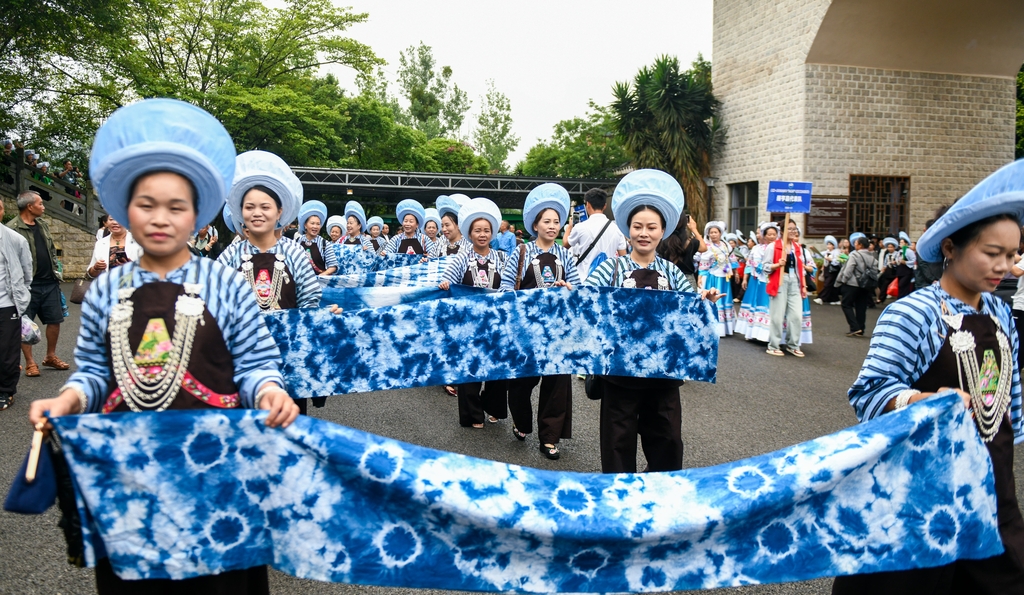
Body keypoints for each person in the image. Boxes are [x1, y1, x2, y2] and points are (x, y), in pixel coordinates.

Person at [28, 98, 298, 594]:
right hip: (129, 468)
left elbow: (256, 362)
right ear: (125, 211)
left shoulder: (225, 284)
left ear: (197, 217)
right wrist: (67, 399)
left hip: (218, 462)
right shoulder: (107, 290)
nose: (160, 218)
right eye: (146, 204)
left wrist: (269, 392)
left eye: (176, 207)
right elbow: (93, 372)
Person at [836, 159, 1024, 594]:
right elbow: (870, 391)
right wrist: (919, 400)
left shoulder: (1000, 312)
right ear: (950, 248)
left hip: (991, 487)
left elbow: (1007, 399)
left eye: (1012, 255)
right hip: (918, 491)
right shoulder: (913, 313)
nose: (1004, 266)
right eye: (992, 253)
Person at [585, 169, 721, 474]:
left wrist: (704, 301)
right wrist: (568, 292)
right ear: (628, 230)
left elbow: (689, 308)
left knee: (668, 439)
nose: (643, 233)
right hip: (619, 372)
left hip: (663, 373)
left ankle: (660, 490)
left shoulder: (672, 272)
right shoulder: (611, 269)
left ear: (662, 231)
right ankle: (620, 492)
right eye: (637, 226)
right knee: (617, 442)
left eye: (651, 227)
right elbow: (586, 299)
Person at [218, 150, 323, 414]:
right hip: (242, 359)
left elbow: (309, 303)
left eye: (265, 207)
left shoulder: (294, 252)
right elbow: (213, 300)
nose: (257, 213)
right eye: (249, 207)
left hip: (288, 357)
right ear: (240, 212)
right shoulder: (231, 255)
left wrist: (324, 317)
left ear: (279, 212)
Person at [499, 183, 580, 461]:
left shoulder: (566, 255)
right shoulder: (521, 252)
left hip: (558, 332)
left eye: (556, 221)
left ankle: (549, 438)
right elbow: (506, 289)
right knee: (521, 384)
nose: (552, 226)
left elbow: (577, 290)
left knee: (557, 386)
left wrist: (567, 288)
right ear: (535, 224)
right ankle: (522, 422)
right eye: (547, 221)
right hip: (526, 331)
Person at [438, 197, 509, 427]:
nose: (482, 234)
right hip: (468, 323)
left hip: (496, 322)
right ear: (469, 233)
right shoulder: (462, 258)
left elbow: (510, 286)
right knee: (470, 368)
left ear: (493, 233)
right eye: (477, 230)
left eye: (486, 230)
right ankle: (473, 415)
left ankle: (494, 407)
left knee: (497, 368)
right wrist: (446, 285)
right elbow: (448, 279)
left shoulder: (502, 258)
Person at [7, 191, 69, 377]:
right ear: (29, 206)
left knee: (55, 320)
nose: (43, 206)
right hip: (27, 285)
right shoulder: (12, 229)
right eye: (40, 203)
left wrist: (56, 271)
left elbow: (51, 250)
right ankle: (30, 363)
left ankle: (50, 356)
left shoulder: (42, 224)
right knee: (25, 324)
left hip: (49, 282)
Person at [0, 199, 32, 410]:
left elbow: (27, 272)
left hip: (6, 304)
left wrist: (21, 296)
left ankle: (5, 390)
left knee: (7, 350)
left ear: (3, 211)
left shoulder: (15, 239)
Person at [563, 187, 627, 281]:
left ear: (588, 205)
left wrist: (569, 227)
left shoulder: (580, 227)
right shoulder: (617, 229)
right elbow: (623, 258)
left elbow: (565, 244)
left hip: (584, 280)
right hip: (608, 280)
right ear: (605, 206)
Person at [764, 219, 807, 357]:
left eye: (794, 229)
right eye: (790, 228)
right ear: (782, 231)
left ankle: (793, 344)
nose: (793, 231)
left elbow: (801, 269)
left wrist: (803, 286)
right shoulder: (773, 247)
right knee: (777, 316)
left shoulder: (797, 247)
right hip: (780, 281)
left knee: (796, 316)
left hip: (795, 282)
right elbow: (765, 267)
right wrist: (777, 265)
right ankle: (773, 345)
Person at [736, 222, 778, 342]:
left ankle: (768, 334)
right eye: (758, 233)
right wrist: (745, 278)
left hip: (770, 280)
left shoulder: (777, 248)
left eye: (773, 234)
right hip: (756, 280)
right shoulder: (756, 248)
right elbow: (749, 264)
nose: (759, 235)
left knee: (767, 306)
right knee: (754, 305)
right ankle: (751, 331)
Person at [698, 221, 735, 336]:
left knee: (725, 299)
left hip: (725, 277)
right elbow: (703, 263)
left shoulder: (725, 245)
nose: (713, 234)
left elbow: (730, 259)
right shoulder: (707, 247)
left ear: (720, 233)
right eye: (711, 232)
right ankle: (714, 326)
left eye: (716, 232)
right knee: (715, 298)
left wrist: (733, 272)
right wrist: (700, 276)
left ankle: (726, 327)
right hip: (713, 276)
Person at [837, 235, 877, 338]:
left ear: (860, 245)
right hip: (865, 285)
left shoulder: (854, 255)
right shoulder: (872, 256)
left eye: (856, 243)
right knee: (861, 307)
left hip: (852, 284)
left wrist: (843, 280)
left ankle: (854, 327)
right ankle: (861, 328)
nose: (854, 244)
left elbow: (849, 269)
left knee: (846, 304)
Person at [656, 213, 707, 290]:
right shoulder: (691, 242)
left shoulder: (661, 240)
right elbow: (704, 248)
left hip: (665, 278)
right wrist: (694, 229)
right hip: (687, 280)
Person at [294, 200, 337, 276]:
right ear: (305, 225)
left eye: (318, 224)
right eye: (312, 223)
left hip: (319, 281)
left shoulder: (324, 244)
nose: (315, 226)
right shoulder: (297, 241)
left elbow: (333, 266)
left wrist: (323, 275)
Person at [814, 235, 842, 304]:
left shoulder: (836, 251)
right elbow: (819, 255)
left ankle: (821, 298)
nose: (828, 246)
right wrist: (814, 251)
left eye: (830, 244)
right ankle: (835, 299)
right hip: (827, 270)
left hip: (833, 270)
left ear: (833, 245)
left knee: (827, 284)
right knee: (831, 286)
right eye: (828, 244)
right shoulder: (827, 252)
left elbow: (837, 261)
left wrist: (830, 259)